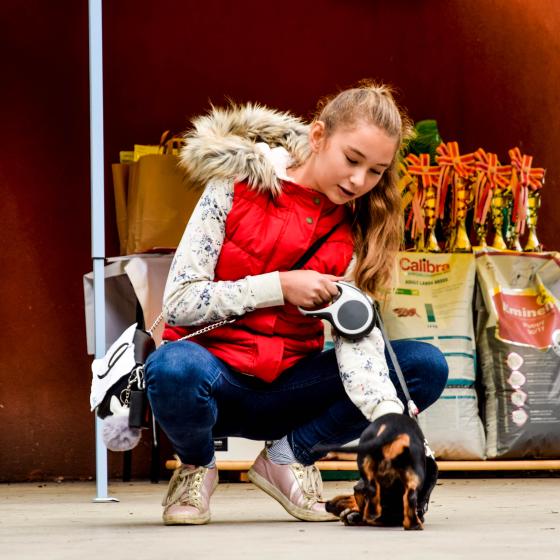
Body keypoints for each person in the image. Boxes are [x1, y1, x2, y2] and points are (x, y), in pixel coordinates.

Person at [145, 82, 448, 525]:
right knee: (171, 366)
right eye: (352, 160)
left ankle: (288, 457)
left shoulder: (360, 224)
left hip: (291, 387)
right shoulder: (234, 182)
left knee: (424, 365)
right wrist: (280, 287)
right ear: (318, 135)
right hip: (212, 380)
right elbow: (179, 303)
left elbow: (357, 344)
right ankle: (196, 467)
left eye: (376, 171)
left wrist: (391, 423)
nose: (359, 181)